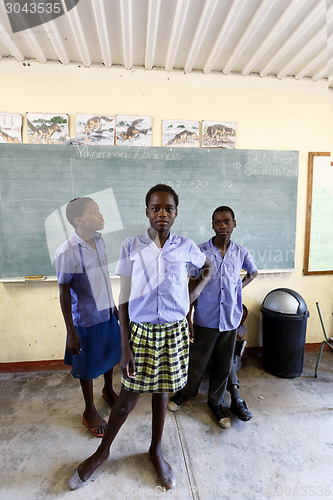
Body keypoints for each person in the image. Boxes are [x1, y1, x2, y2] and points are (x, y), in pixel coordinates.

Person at [67, 184, 213, 491]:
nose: (162, 214)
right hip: (141, 331)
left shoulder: (185, 246)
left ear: (176, 213)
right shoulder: (130, 246)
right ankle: (102, 452)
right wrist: (124, 345)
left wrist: (192, 294)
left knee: (162, 392)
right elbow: (123, 298)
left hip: (173, 332)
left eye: (168, 208)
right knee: (127, 398)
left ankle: (155, 451)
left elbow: (206, 267)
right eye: (156, 208)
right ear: (147, 211)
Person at [168, 206, 257, 429]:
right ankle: (186, 393)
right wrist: (187, 316)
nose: (223, 226)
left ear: (234, 224)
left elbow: (253, 272)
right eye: (218, 222)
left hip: (230, 319)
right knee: (197, 362)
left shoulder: (241, 252)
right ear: (213, 225)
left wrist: (239, 287)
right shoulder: (200, 252)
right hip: (205, 318)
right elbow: (191, 284)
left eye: (227, 222)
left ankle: (216, 403)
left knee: (223, 364)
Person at [55, 197, 121, 437]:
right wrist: (72, 332)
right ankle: (89, 410)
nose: (101, 215)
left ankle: (108, 390)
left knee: (109, 354)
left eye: (99, 209)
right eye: (94, 211)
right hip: (85, 318)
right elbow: (63, 291)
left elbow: (103, 277)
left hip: (105, 311)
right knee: (87, 364)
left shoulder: (99, 241)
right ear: (79, 220)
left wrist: (113, 305)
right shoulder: (68, 251)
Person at [227, 304, 252, 421]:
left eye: (244, 318)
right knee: (227, 360)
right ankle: (236, 399)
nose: (241, 320)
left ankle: (236, 400)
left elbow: (236, 338)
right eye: (240, 316)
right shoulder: (225, 323)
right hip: (223, 360)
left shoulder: (241, 328)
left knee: (230, 357)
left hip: (235, 360)